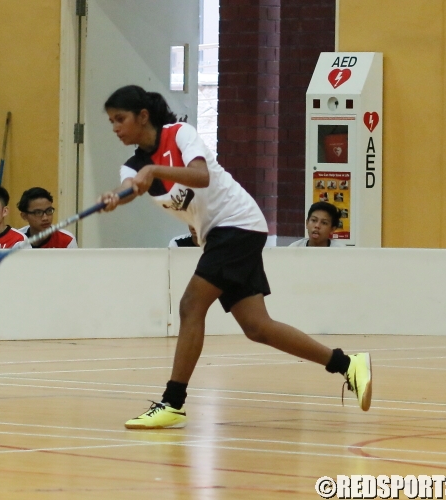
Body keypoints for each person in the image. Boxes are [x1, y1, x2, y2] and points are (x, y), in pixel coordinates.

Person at [99, 85, 371, 429]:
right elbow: (131, 187)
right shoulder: (133, 166)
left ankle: (173, 402)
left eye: (120, 119)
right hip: (220, 236)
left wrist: (154, 172)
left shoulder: (180, 134)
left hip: (237, 224)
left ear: (143, 116)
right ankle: (348, 365)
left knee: (190, 305)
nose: (116, 128)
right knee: (258, 327)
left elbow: (201, 175)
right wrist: (115, 196)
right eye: (111, 122)